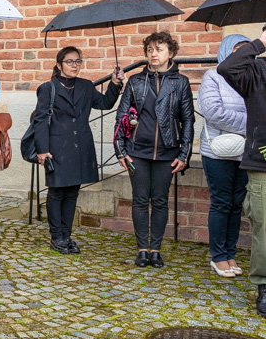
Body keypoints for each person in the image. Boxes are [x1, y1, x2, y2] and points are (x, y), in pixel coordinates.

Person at [114, 31, 194, 268]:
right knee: (140, 200)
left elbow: (187, 120)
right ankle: (142, 250)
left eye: (159, 49)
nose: (153, 54)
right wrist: (121, 150)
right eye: (150, 49)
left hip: (167, 152)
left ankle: (155, 250)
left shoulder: (181, 82)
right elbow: (121, 117)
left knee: (159, 201)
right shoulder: (136, 81)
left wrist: (184, 154)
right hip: (137, 151)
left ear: (171, 53)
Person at [34, 46, 123, 254]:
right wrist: (42, 149)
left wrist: (115, 84)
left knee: (72, 192)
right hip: (56, 148)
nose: (74, 65)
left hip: (80, 147)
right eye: (69, 61)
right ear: (59, 65)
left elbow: (105, 103)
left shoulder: (85, 86)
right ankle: (56, 237)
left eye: (77, 61)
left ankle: (66, 236)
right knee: (57, 192)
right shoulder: (48, 88)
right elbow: (39, 120)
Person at [217, 29, 266, 317]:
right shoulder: (256, 71)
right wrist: (259, 43)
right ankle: (263, 285)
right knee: (264, 228)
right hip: (262, 162)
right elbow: (226, 67)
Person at [199, 35, 250, 278]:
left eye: (247, 50)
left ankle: (230, 254)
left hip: (244, 152)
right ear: (226, 51)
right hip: (218, 152)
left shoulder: (252, 78)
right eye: (237, 50)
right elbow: (213, 113)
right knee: (221, 202)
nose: (242, 55)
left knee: (236, 204)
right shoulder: (213, 77)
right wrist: (252, 125)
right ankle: (218, 256)